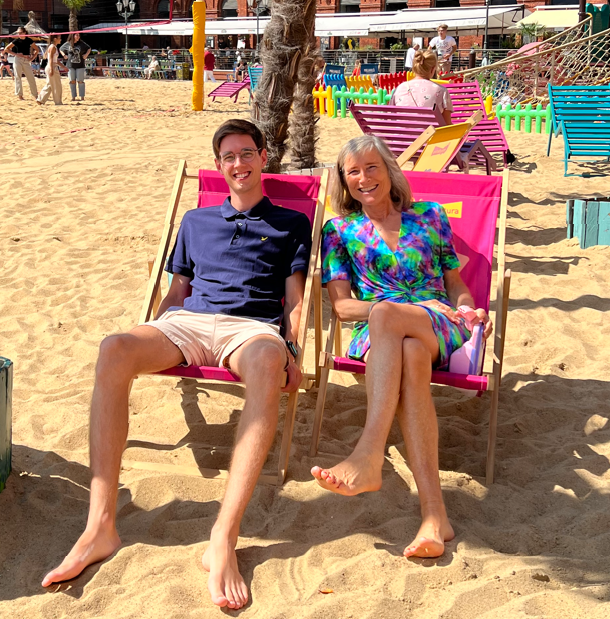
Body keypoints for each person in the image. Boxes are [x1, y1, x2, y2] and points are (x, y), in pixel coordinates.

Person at [41, 119, 312, 611]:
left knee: (268, 361)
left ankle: (223, 537)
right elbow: (177, 293)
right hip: (190, 322)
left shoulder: (292, 223)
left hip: (250, 329)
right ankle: (100, 526)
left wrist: (293, 348)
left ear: (263, 158)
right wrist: (150, 331)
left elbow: (294, 300)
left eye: (246, 153)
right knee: (113, 348)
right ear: (218, 165)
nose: (238, 164)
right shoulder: (195, 221)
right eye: (228, 157)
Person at [312, 134, 492, 559]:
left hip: (438, 323)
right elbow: (342, 307)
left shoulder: (430, 216)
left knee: (390, 318)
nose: (363, 178)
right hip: (378, 332)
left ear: (390, 171)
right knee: (402, 341)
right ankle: (435, 516)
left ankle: (369, 453)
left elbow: (455, 285)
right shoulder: (339, 230)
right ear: (344, 181)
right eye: (353, 172)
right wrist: (395, 309)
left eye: (371, 167)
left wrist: (469, 310)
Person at [390, 49, 454, 125]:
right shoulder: (441, 91)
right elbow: (447, 125)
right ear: (433, 69)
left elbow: (392, 118)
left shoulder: (399, 89)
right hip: (431, 133)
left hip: (401, 132)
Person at [4, 26, 39, 100]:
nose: (18, 34)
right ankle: (20, 95)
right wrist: (16, 54)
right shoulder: (16, 41)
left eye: (20, 33)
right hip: (18, 59)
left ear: (24, 33)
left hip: (26, 60)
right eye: (18, 33)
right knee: (18, 77)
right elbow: (6, 49)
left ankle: (35, 94)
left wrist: (32, 58)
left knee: (31, 77)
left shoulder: (29, 40)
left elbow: (37, 49)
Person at [60, 33, 91, 101]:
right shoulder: (68, 43)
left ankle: (82, 97)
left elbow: (89, 48)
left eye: (79, 35)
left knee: (80, 81)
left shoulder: (81, 43)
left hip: (80, 65)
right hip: (71, 66)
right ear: (73, 36)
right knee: (72, 81)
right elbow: (61, 49)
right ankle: (73, 97)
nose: (78, 37)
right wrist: (64, 55)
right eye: (77, 35)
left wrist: (86, 55)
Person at [37, 34, 64, 106]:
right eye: (59, 38)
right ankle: (58, 102)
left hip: (51, 66)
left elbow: (55, 60)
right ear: (55, 39)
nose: (60, 39)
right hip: (51, 66)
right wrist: (52, 69)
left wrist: (63, 67)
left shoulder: (53, 47)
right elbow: (51, 59)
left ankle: (40, 99)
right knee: (56, 85)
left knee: (49, 84)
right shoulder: (52, 47)